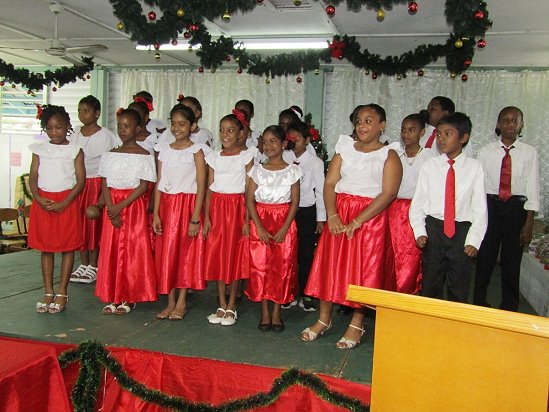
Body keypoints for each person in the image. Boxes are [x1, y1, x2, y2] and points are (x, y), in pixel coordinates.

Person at [302, 104, 402, 349]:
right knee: (331, 267)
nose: (362, 126)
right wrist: (333, 214)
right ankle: (324, 319)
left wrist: (358, 221)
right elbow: (330, 183)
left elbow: (388, 194)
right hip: (340, 213)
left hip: (370, 220)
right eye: (359, 121)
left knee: (363, 274)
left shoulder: (389, 155)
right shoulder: (344, 149)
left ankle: (356, 324)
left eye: (369, 121)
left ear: (382, 125)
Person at [409, 112, 487, 303]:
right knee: (430, 284)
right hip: (433, 230)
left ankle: (454, 328)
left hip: (460, 232)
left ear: (463, 137)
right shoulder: (430, 165)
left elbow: (480, 208)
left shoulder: (475, 167)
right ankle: (429, 326)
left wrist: (474, 240)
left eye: (448, 133)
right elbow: (418, 202)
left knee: (458, 286)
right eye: (438, 134)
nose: (441, 139)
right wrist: (420, 231)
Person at [474, 107, 539, 311]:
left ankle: (509, 306)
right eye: (505, 120)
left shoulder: (530, 152)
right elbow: (478, 186)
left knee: (512, 261)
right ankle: (479, 302)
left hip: (516, 208)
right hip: (490, 206)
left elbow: (532, 187)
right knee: (485, 258)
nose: (510, 124)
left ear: (521, 125)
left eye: (515, 121)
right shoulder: (485, 152)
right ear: (498, 124)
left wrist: (529, 221)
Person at [95, 108, 157, 315]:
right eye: (120, 126)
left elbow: (143, 186)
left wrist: (120, 207)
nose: (122, 130)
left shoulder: (144, 155)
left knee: (131, 251)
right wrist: (110, 206)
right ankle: (114, 294)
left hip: (132, 205)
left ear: (138, 129)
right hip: (113, 204)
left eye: (127, 126)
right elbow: (104, 181)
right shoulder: (110, 154)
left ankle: (129, 296)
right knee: (112, 249)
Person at [152, 104, 209, 320]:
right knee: (167, 254)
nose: (177, 128)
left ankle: (182, 301)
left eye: (182, 124)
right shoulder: (163, 149)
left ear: (193, 126)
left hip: (187, 206)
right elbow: (160, 181)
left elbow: (202, 186)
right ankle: (170, 301)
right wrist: (156, 213)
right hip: (167, 206)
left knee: (185, 254)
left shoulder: (197, 151)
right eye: (174, 124)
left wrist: (195, 217)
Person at [245, 125, 302, 332]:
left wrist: (285, 228)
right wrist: (257, 227)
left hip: (283, 222)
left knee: (281, 268)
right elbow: (249, 199)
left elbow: (295, 202)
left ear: (284, 144)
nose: (268, 146)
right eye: (265, 142)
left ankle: (277, 312)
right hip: (260, 221)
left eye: (273, 141)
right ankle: (265, 313)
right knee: (260, 267)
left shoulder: (293, 171)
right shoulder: (257, 170)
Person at [28, 105, 85, 314]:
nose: (55, 132)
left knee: (67, 247)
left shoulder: (75, 150)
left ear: (68, 126)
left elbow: (80, 181)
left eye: (59, 128)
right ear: (45, 129)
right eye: (50, 128)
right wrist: (38, 198)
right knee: (46, 248)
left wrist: (64, 202)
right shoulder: (39, 149)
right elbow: (33, 177)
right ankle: (48, 290)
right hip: (43, 201)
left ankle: (62, 291)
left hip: (66, 202)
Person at [203, 111, 257, 326]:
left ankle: (232, 304)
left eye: (231, 130)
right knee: (218, 255)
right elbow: (209, 188)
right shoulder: (214, 157)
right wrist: (207, 217)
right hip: (217, 208)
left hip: (236, 208)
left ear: (240, 133)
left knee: (234, 257)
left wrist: (246, 219)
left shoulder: (247, 155)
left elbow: (249, 189)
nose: (226, 135)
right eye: (222, 130)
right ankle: (221, 303)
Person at [69, 95, 118, 284]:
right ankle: (83, 263)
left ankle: (95, 265)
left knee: (94, 223)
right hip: (79, 182)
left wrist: (103, 194)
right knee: (80, 223)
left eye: (87, 111)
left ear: (97, 113)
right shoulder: (75, 133)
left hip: (97, 183)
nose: (82, 114)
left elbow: (112, 160)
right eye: (80, 110)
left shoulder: (106, 135)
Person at [281, 121, 326, 312]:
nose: (292, 142)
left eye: (296, 139)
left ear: (307, 140)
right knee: (288, 253)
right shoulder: (284, 157)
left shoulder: (315, 162)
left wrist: (320, 218)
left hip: (306, 211)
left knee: (306, 254)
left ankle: (306, 293)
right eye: (289, 139)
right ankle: (289, 292)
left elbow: (321, 191)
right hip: (285, 210)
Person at [389, 113, 436, 294]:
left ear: (422, 132)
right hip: (394, 209)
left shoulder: (429, 157)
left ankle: (408, 291)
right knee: (392, 253)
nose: (406, 134)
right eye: (403, 130)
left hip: (416, 211)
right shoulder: (395, 154)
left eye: (411, 130)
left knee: (411, 255)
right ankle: (390, 291)